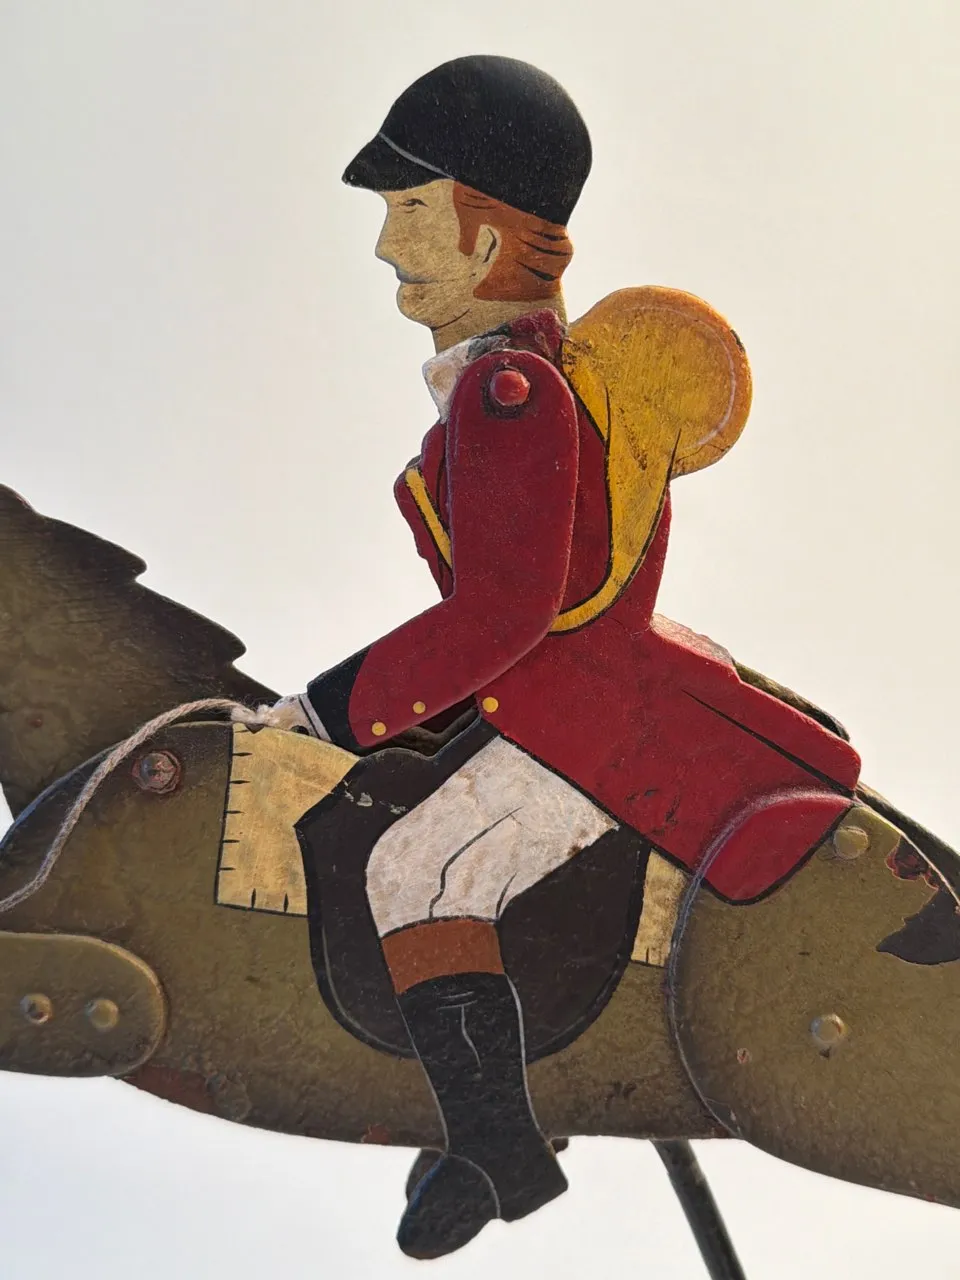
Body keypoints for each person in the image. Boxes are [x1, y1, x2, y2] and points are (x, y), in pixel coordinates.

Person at [269, 55, 862, 1258]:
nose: (387, 245)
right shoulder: (506, 386)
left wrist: (328, 710)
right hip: (551, 704)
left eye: (410, 210)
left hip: (587, 721)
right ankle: (492, 1117)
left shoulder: (513, 393)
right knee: (401, 838)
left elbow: (504, 617)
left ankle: (496, 1141)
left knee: (413, 869)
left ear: (488, 237)